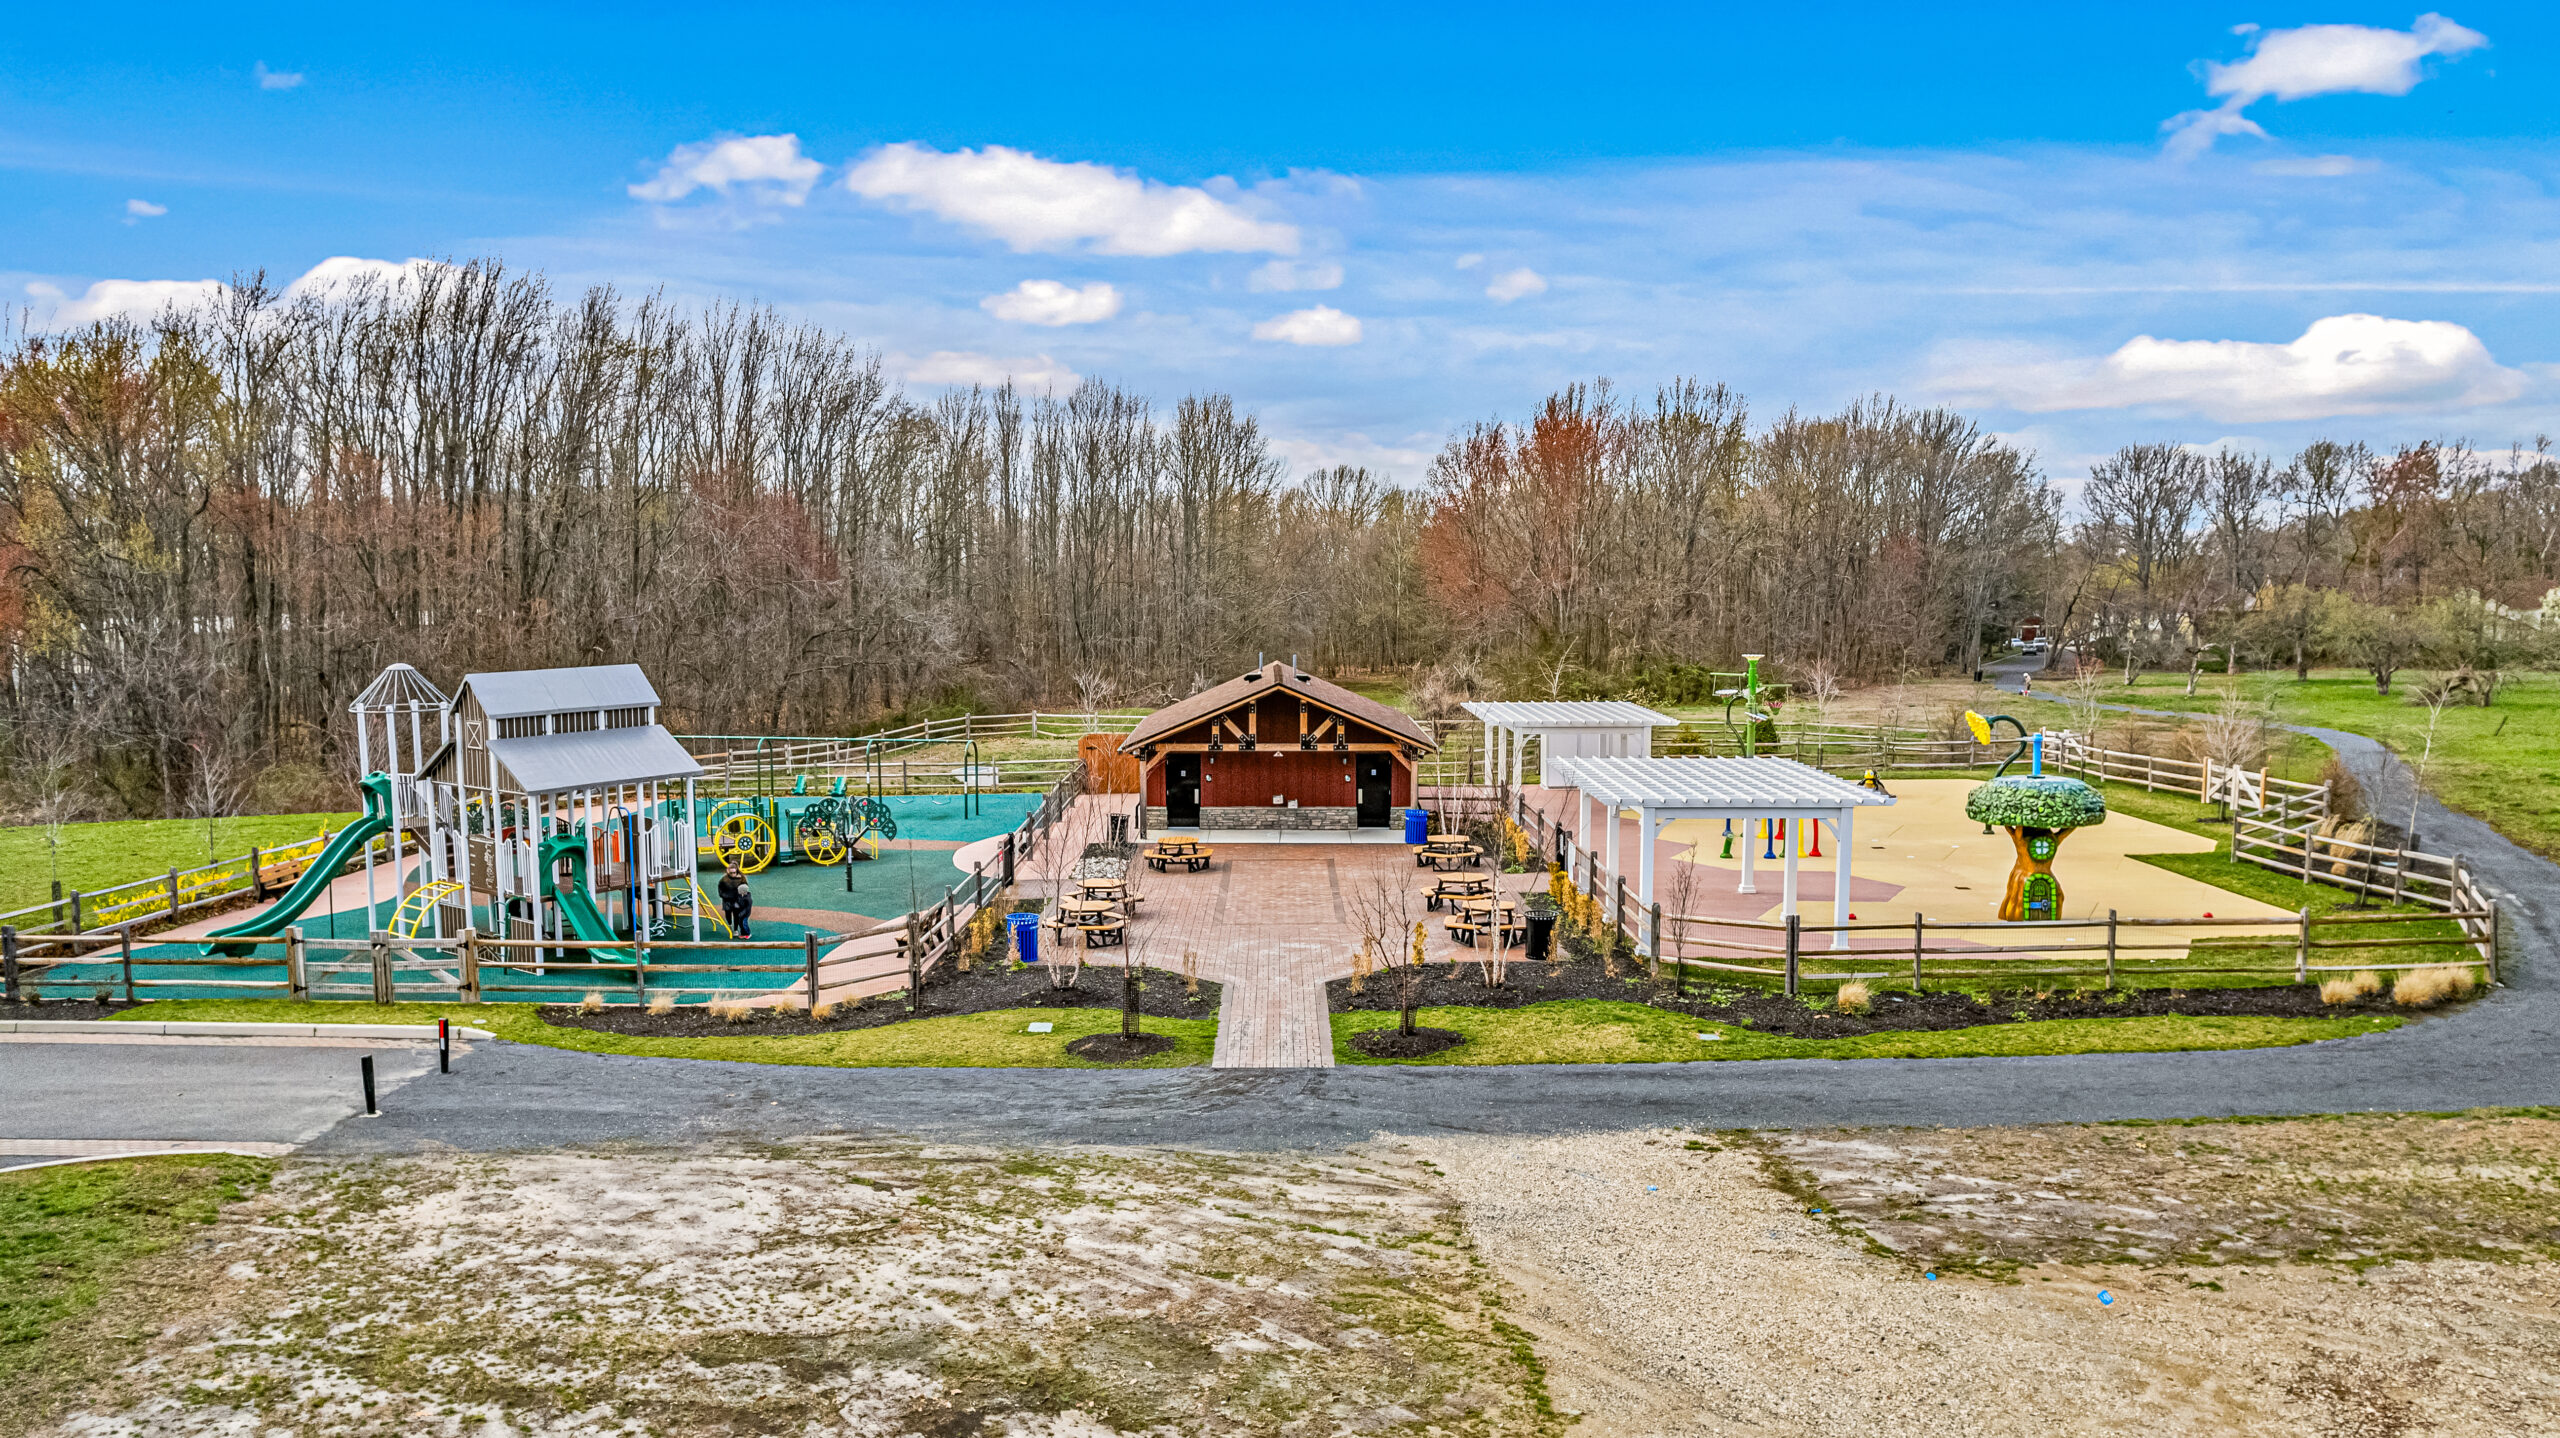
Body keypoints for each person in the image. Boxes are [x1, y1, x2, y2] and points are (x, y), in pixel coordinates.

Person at [718, 862, 753, 940]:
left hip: (737, 900)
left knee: (736, 914)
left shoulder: (742, 878)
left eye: (734, 872)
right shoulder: (724, 879)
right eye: (731, 873)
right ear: (728, 871)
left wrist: (741, 896)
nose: (733, 874)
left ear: (737, 871)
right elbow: (720, 890)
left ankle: (736, 929)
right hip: (727, 900)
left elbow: (745, 888)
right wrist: (725, 896)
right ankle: (730, 925)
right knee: (728, 913)